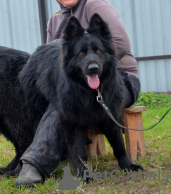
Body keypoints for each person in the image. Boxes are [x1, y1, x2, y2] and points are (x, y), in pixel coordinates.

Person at [15, 0, 141, 187]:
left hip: (119, 77)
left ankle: (34, 163)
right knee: (63, 107)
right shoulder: (54, 19)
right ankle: (54, 159)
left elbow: (120, 44)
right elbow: (61, 60)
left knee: (81, 111)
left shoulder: (95, 5)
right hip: (77, 82)